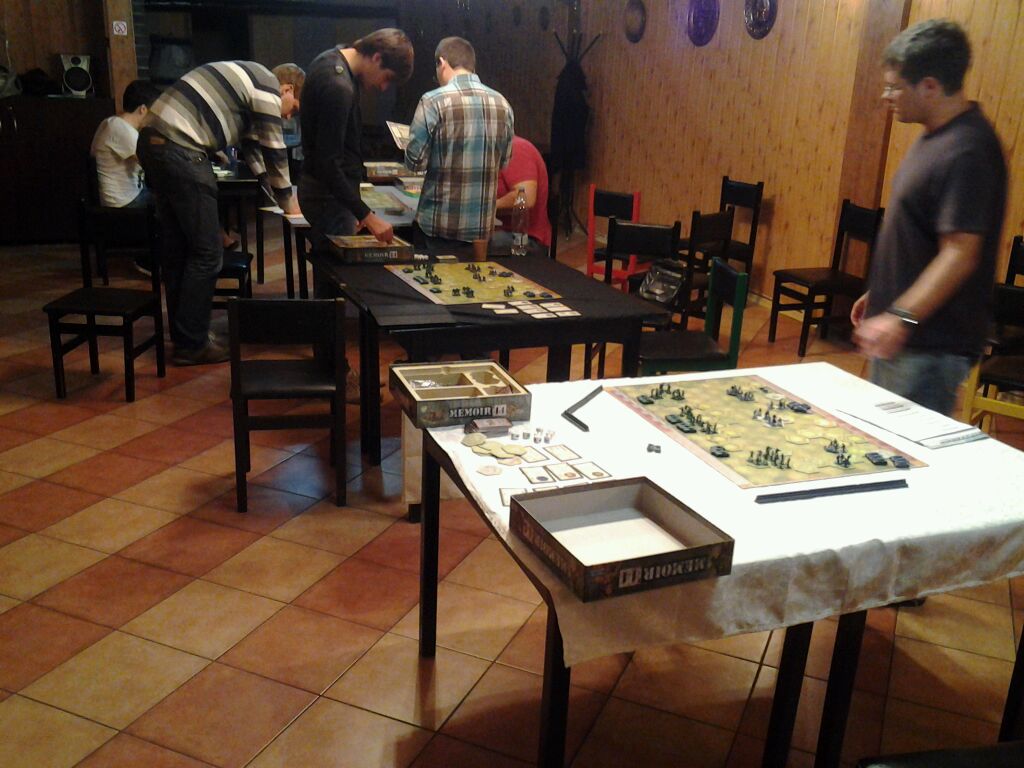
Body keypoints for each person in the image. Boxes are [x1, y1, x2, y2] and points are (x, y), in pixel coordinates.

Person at [851, 18, 1007, 416]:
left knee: (900, 450)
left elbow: (960, 253)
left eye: (894, 87)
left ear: (930, 86)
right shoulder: (936, 136)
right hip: (907, 337)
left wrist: (900, 316)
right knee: (881, 442)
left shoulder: (968, 150)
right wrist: (882, 294)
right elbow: (918, 233)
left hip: (928, 347)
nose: (886, 95)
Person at [137, 61, 304, 366]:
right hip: (180, 147)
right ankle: (192, 344)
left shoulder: (251, 82)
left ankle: (185, 336)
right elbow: (274, 148)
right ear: (287, 89)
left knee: (179, 250)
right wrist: (288, 202)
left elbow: (253, 148)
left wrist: (268, 187)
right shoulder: (267, 85)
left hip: (151, 141)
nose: (289, 116)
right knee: (207, 252)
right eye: (293, 108)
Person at [299, 29, 414, 251]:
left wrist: (356, 208)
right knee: (339, 268)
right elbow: (328, 163)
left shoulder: (331, 59)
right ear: (377, 57)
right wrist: (366, 215)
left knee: (329, 263)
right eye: (387, 78)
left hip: (326, 193)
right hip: (328, 197)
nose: (383, 87)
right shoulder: (338, 86)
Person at [405, 37, 514, 257]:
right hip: (481, 231)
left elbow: (415, 163)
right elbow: (503, 162)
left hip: (438, 226)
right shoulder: (503, 104)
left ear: (442, 62)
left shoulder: (433, 101)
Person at [91, 79, 162, 209]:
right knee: (174, 203)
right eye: (155, 112)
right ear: (143, 109)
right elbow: (152, 165)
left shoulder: (113, 122)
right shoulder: (120, 128)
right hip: (123, 202)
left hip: (129, 194)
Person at [493, 135, 551, 257]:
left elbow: (526, 197)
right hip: (500, 230)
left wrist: (486, 207)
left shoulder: (515, 148)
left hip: (525, 239)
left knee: (470, 243)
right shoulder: (491, 152)